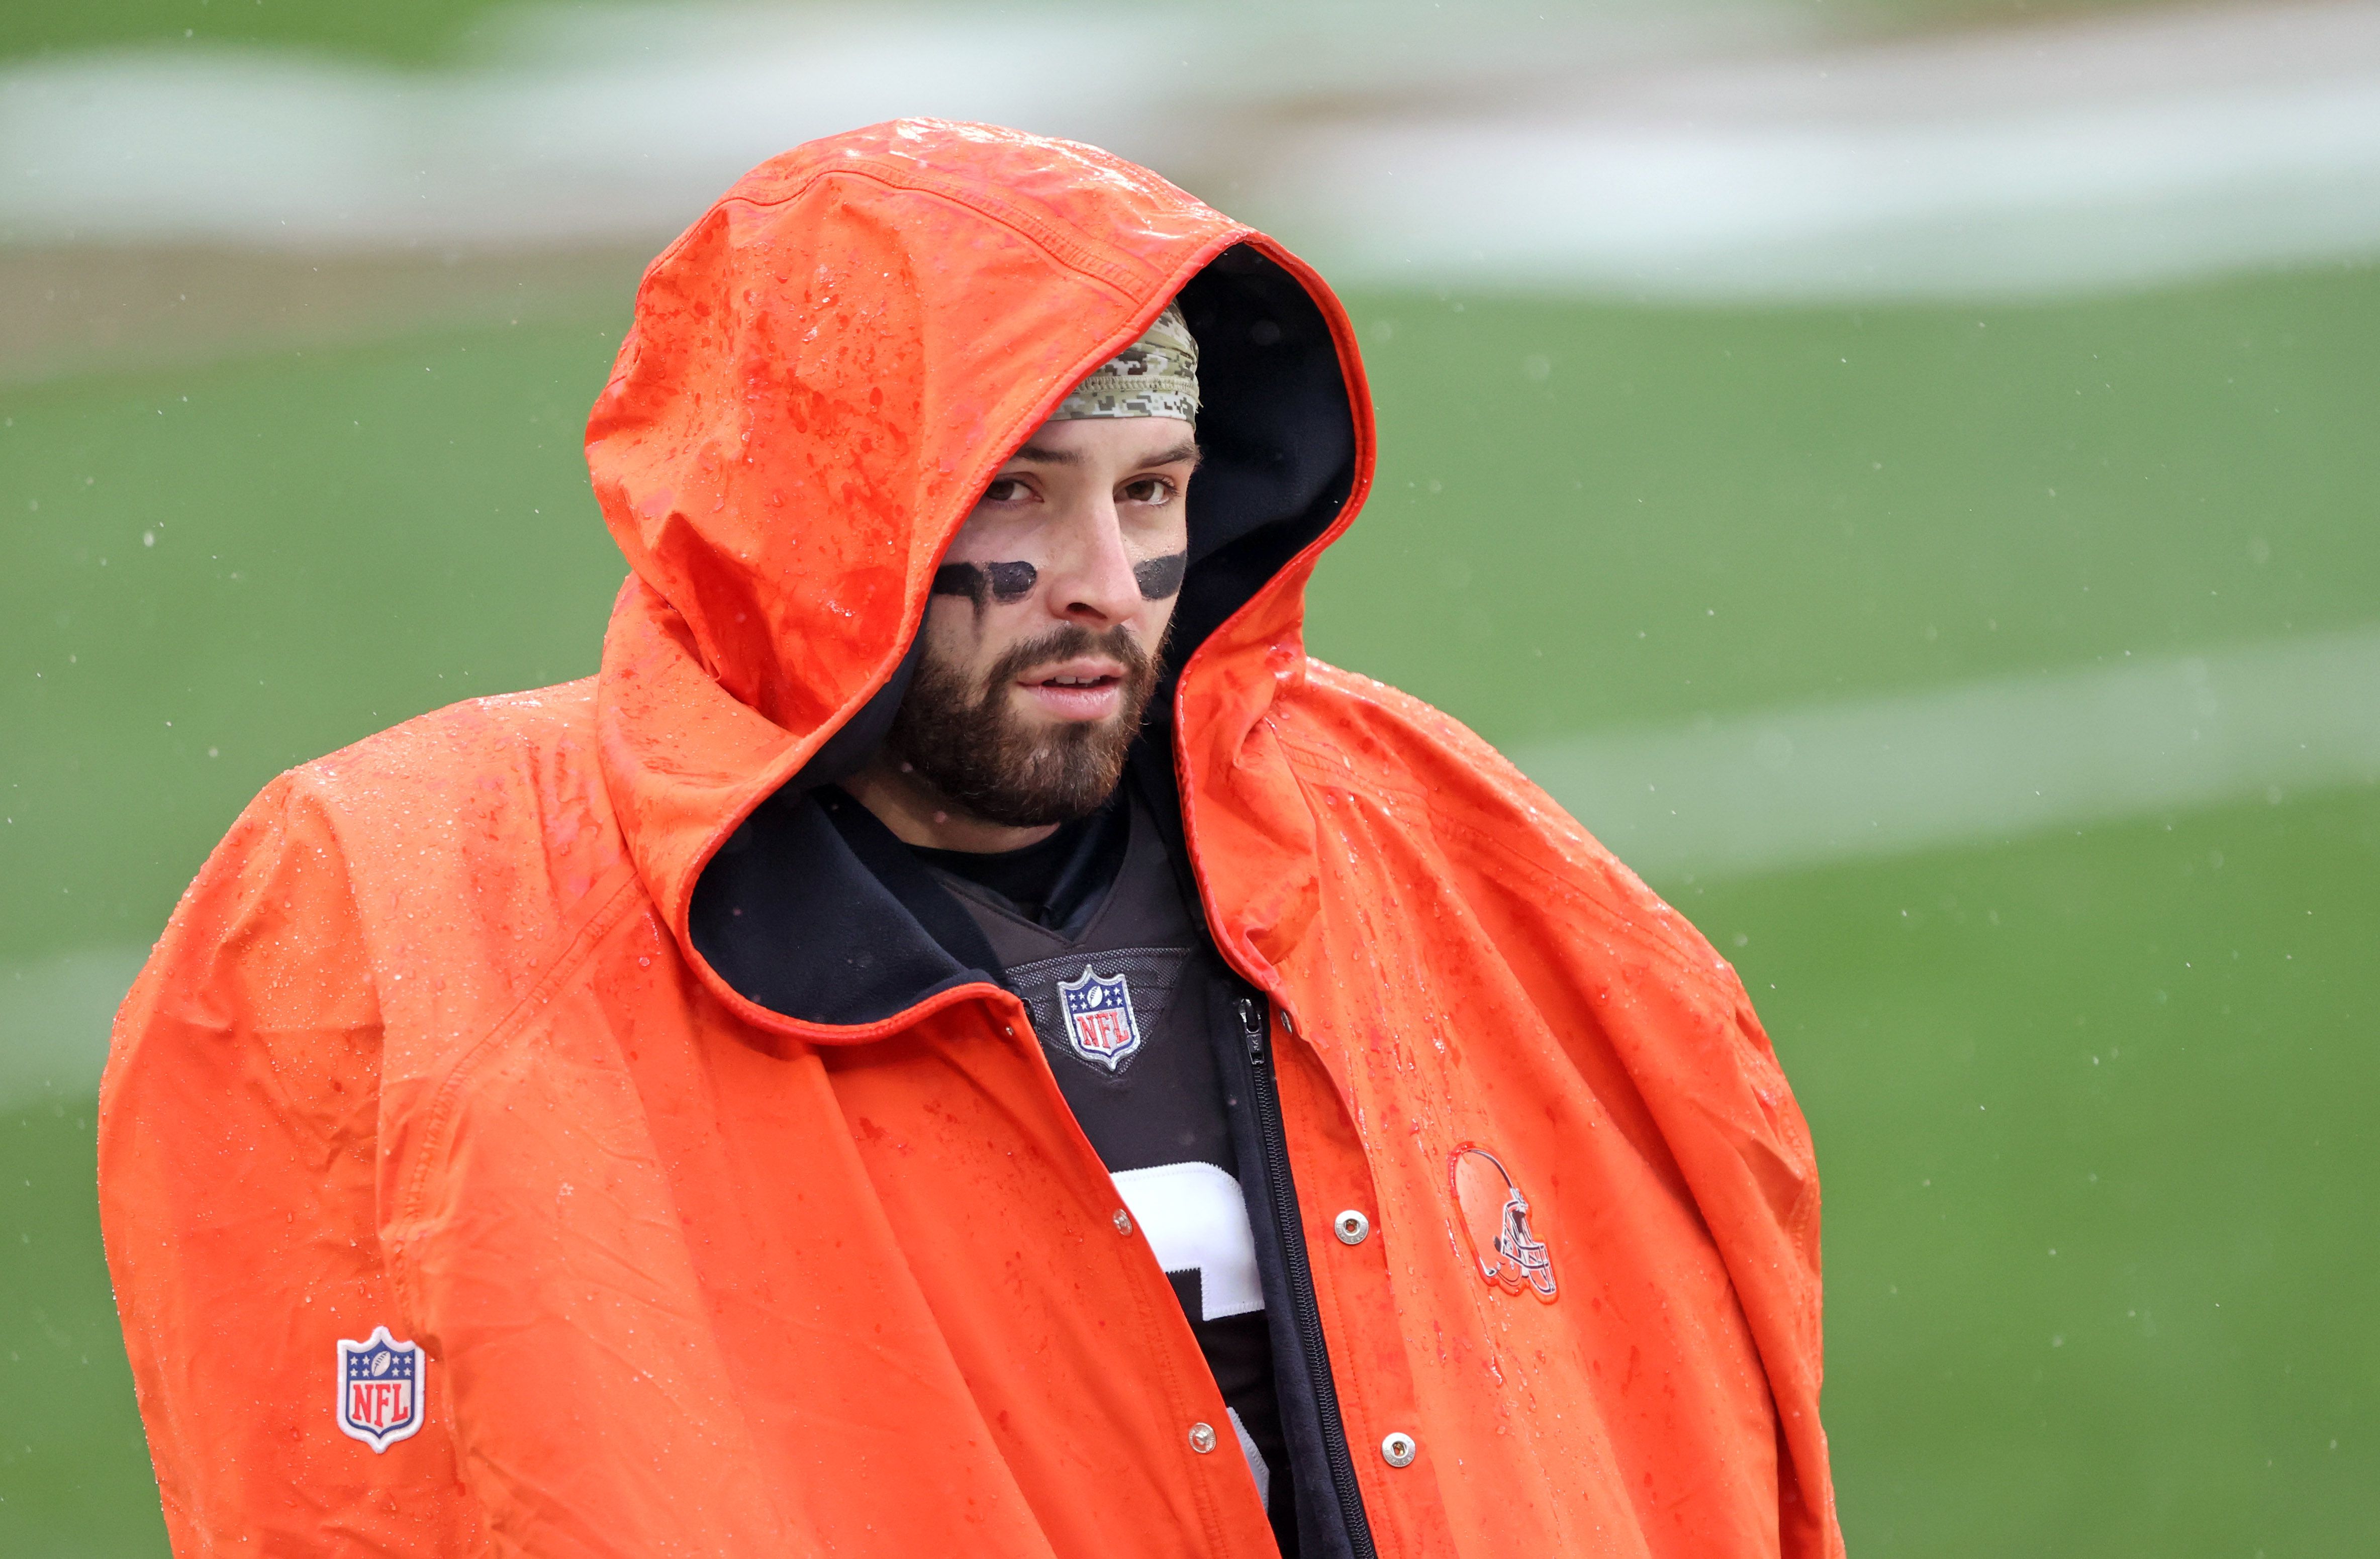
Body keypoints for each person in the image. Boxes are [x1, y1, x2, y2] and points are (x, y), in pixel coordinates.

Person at [99, 120, 1840, 1558]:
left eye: (1149, 491)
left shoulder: (1428, 836)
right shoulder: (410, 901)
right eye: (1014, 489)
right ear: (815, 518)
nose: (1102, 581)